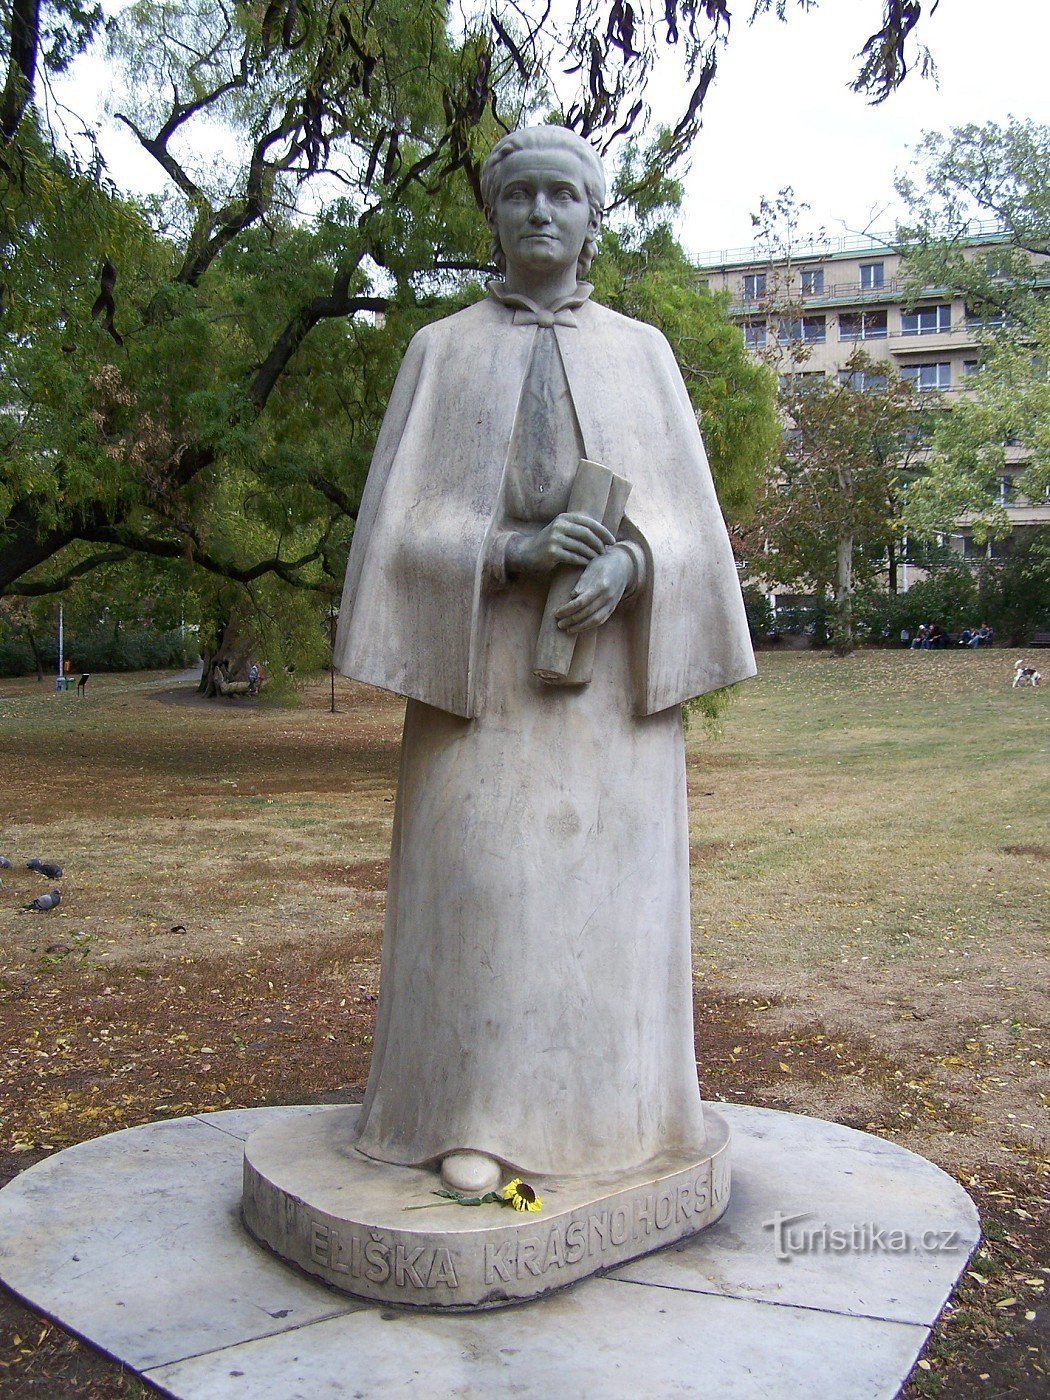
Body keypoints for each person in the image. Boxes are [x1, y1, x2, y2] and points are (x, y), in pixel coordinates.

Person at [334, 127, 754, 1193]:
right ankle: (471, 1113)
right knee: (481, 895)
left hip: (611, 695)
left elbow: (700, 533)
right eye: (518, 194)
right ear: (493, 213)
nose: (538, 213)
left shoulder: (643, 351)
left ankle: (621, 1112)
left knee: (602, 903)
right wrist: (510, 552)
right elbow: (392, 538)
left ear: (591, 216)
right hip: (482, 683)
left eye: (561, 194)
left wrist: (634, 563)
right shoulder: (442, 350)